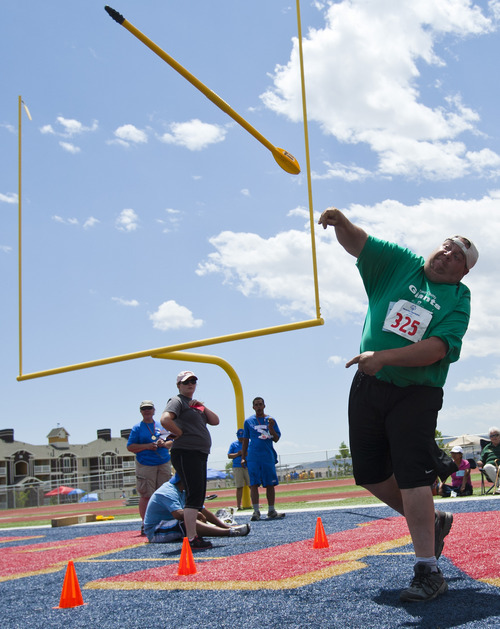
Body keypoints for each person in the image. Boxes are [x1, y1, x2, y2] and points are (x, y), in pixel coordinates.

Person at [318, 206, 478, 603]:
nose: (447, 256)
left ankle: (429, 569)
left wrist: (384, 357)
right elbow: (361, 245)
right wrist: (341, 222)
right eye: (445, 248)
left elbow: (439, 348)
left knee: (412, 475)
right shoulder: (400, 264)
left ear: (464, 272)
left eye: (458, 256)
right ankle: (433, 520)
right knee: (369, 473)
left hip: (417, 392)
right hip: (370, 384)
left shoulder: (458, 297)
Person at [160, 370, 220, 549]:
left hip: (198, 452)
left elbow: (215, 421)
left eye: (193, 381)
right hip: (186, 452)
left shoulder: (194, 404)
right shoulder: (177, 401)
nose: (190, 384)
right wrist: (178, 433)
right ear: (179, 385)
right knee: (193, 495)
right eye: (186, 382)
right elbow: (165, 419)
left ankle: (193, 536)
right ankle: (192, 537)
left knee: (197, 495)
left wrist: (202, 406)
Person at [143, 473, 250, 544]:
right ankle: (229, 533)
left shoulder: (183, 490)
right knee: (188, 520)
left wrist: (224, 526)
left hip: (167, 525)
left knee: (190, 518)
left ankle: (226, 530)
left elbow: (202, 510)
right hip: (155, 532)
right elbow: (178, 514)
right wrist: (198, 515)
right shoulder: (167, 492)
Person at [127, 400, 172, 536]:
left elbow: (171, 441)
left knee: (165, 494)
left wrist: (163, 443)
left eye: (149, 408)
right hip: (145, 465)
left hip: (163, 462)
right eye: (144, 409)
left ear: (154, 410)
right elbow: (130, 447)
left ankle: (165, 521)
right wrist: (147, 446)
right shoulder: (137, 428)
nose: (147, 411)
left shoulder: (161, 426)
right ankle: (145, 524)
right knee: (146, 495)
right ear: (141, 411)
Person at [241, 397, 284, 521]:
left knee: (270, 484)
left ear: (264, 406)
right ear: (253, 407)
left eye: (260, 404)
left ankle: (271, 510)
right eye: (256, 405)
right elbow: (245, 440)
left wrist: (271, 428)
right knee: (253, 484)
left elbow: (276, 439)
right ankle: (256, 511)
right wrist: (243, 457)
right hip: (253, 457)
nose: (259, 407)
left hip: (267, 456)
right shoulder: (248, 421)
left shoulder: (271, 420)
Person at [227, 429, 251, 510]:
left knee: (252, 486)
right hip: (237, 467)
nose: (241, 439)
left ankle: (255, 503)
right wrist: (238, 453)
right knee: (239, 486)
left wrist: (246, 454)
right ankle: (238, 505)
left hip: (248, 466)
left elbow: (253, 452)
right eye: (239, 437)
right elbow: (229, 455)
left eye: (242, 437)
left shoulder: (249, 443)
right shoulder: (234, 444)